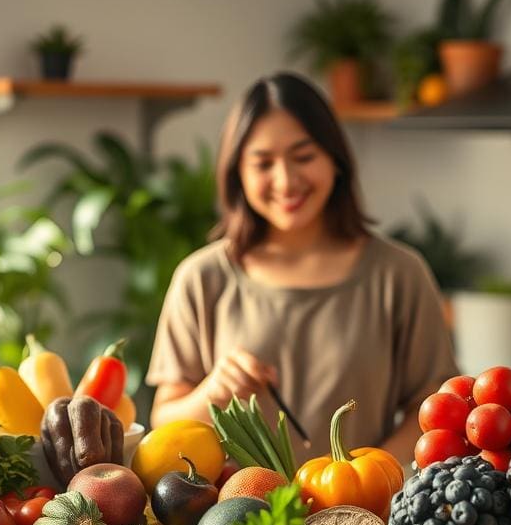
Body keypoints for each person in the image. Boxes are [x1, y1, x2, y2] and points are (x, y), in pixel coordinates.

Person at [145, 72, 457, 466]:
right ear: (237, 173)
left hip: (365, 520)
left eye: (304, 157)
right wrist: (211, 395)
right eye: (263, 163)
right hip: (237, 521)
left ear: (335, 160)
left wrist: (366, 484)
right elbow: (163, 420)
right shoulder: (201, 278)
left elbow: (433, 410)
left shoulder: (400, 274)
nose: (286, 180)